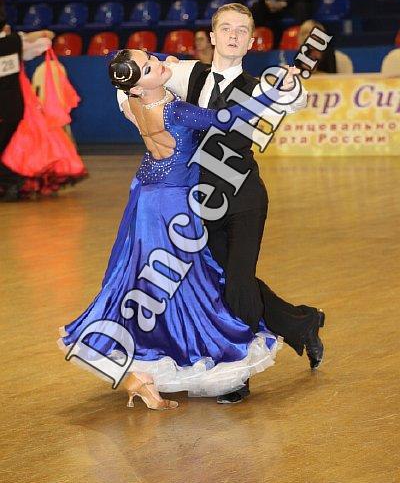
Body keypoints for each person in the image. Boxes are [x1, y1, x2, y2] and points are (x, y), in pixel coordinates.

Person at [58, 49, 302, 410]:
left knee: (143, 280)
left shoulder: (131, 102)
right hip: (174, 202)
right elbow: (228, 118)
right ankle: (190, 354)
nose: (160, 63)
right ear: (138, 84)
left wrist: (155, 70)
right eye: (149, 66)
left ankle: (142, 374)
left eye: (152, 57)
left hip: (145, 198)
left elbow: (139, 78)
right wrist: (272, 92)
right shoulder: (176, 111)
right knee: (187, 284)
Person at [118, 3, 325, 405]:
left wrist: (290, 85)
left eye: (241, 30)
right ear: (212, 37)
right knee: (222, 280)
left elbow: (294, 99)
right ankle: (302, 323)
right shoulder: (186, 74)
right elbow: (133, 75)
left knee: (239, 281)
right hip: (198, 201)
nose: (233, 35)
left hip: (244, 198)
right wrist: (132, 106)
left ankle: (238, 376)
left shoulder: (258, 86)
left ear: (251, 41)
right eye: (226, 28)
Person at [0, 3, 53, 199]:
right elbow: (43, 40)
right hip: (15, 106)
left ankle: (14, 180)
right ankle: (13, 181)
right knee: (6, 147)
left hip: (3, 109)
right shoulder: (15, 41)